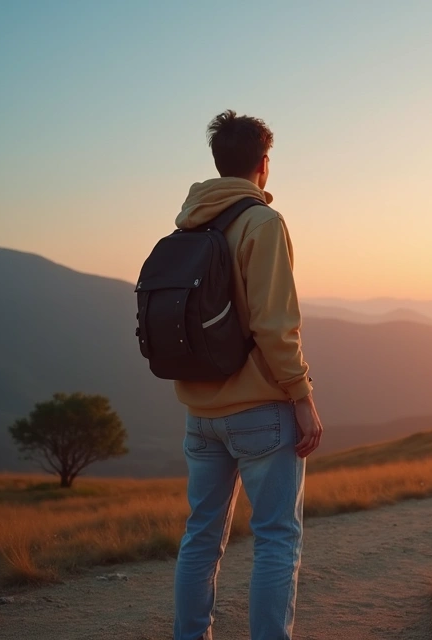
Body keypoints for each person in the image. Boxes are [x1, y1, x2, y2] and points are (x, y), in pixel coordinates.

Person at [172, 109, 324, 640]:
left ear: (218, 163)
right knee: (277, 538)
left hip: (200, 411)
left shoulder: (191, 221)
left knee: (201, 537)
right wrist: (301, 395)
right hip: (259, 409)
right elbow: (275, 324)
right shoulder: (263, 223)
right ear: (264, 164)